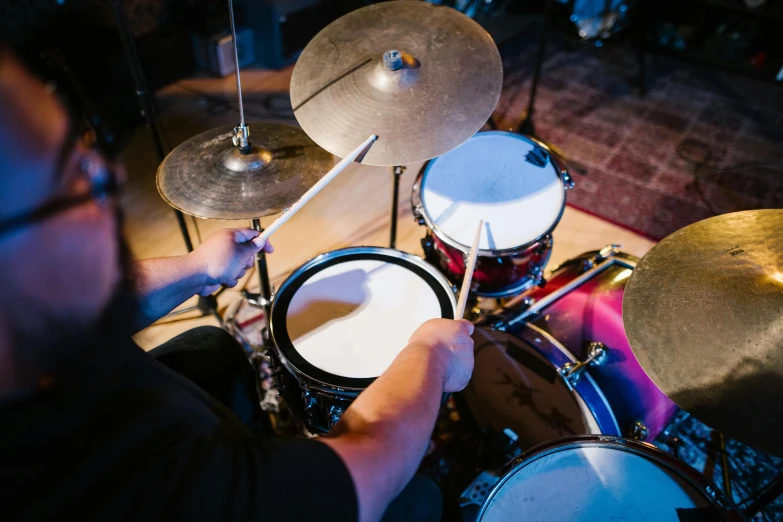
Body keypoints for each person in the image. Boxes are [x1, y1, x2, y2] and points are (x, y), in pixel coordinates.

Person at [0, 48, 475, 522]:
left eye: (87, 145)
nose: (112, 172)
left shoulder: (24, 326)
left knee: (211, 347)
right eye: (74, 175)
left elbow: (88, 306)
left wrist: (198, 267)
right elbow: (364, 475)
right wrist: (430, 355)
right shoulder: (144, 471)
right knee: (419, 500)